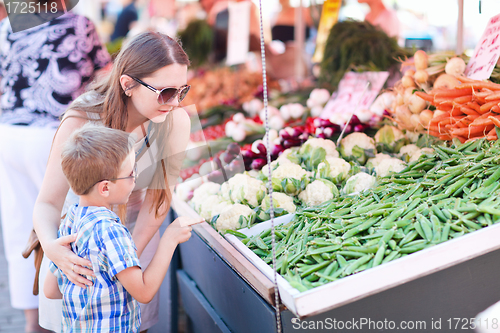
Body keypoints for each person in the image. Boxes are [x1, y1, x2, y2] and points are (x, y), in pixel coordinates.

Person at [33, 31, 193, 333]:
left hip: (136, 239)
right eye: (165, 92)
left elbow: (158, 202)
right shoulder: (82, 118)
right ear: (128, 84)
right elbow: (46, 203)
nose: (173, 102)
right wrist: (55, 252)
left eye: (182, 91)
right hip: (75, 252)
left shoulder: (175, 122)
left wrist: (123, 256)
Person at [0, 5, 111, 332]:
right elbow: (106, 81)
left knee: (21, 228)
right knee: (62, 228)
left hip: (9, 136)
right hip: (55, 134)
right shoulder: (79, 24)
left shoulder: (6, 28)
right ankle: (62, 319)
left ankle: (33, 324)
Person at [43, 124, 193, 332]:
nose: (135, 179)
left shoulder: (70, 219)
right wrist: (170, 240)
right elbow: (143, 292)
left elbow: (50, 289)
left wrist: (92, 295)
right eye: (131, 173)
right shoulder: (111, 231)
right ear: (105, 188)